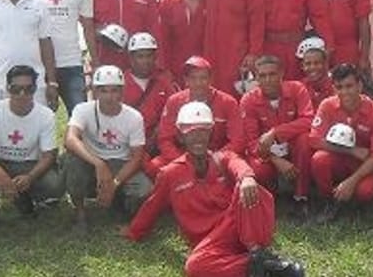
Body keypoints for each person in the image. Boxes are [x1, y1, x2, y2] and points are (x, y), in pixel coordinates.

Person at [125, 102, 306, 277]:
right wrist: (134, 231)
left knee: (254, 190)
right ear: (181, 136)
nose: (198, 138)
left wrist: (247, 178)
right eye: (191, 133)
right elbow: (153, 205)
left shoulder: (222, 158)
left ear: (210, 133)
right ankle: (264, 266)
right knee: (195, 267)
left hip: (236, 229)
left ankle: (257, 252)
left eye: (203, 131)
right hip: (209, 242)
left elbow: (237, 163)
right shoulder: (170, 174)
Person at [0, 65, 64, 235]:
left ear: (35, 89)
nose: (22, 95)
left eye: (28, 89)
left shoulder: (45, 115)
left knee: (54, 184)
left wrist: (30, 177)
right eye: (16, 89)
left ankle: (24, 195)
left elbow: (49, 155)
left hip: (26, 165)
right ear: (7, 88)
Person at [65, 65, 152, 232]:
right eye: (103, 91)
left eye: (114, 90)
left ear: (122, 92)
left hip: (121, 162)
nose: (109, 97)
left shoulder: (133, 117)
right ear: (96, 92)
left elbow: (136, 157)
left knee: (144, 189)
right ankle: (80, 213)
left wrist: (115, 182)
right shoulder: (83, 109)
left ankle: (121, 204)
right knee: (72, 162)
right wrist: (99, 164)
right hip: (91, 161)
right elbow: (69, 139)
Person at [308, 63, 373, 224]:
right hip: (339, 159)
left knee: (365, 191)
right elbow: (313, 139)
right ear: (334, 89)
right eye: (339, 87)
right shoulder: (327, 105)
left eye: (349, 86)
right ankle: (329, 202)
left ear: (360, 86)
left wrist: (351, 181)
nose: (344, 92)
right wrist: (351, 150)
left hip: (363, 164)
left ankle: (359, 207)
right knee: (319, 159)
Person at [26, 0, 97, 113]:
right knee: (39, 118)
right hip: (38, 62)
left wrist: (95, 61)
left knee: (80, 115)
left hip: (71, 62)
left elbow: (88, 27)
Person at [239, 56, 315, 221]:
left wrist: (275, 132)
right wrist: (276, 160)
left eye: (272, 74)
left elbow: (308, 120)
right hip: (268, 153)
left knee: (304, 140)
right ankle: (272, 194)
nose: (268, 80)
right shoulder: (248, 100)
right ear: (256, 77)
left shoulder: (297, 89)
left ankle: (301, 198)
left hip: (293, 146)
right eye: (262, 75)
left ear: (281, 73)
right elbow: (251, 142)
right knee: (258, 169)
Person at [147, 56, 245, 180]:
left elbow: (238, 141)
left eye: (203, 78)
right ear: (186, 80)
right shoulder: (174, 101)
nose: (198, 83)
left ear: (211, 79)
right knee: (153, 167)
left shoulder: (228, 102)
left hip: (217, 155)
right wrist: (182, 160)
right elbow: (164, 139)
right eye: (193, 78)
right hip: (182, 155)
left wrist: (216, 159)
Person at [122, 32, 178, 154]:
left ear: (155, 57)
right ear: (131, 58)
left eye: (149, 56)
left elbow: (175, 110)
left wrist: (159, 133)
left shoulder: (165, 80)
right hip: (129, 146)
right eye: (140, 56)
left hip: (160, 143)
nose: (146, 61)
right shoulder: (120, 84)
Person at [158, 0, 207, 81]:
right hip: (176, 68)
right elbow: (163, 40)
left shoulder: (212, 1)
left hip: (204, 69)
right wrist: (164, 69)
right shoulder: (168, 2)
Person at [296, 37, 333, 109]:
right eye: (308, 64)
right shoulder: (300, 87)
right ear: (302, 66)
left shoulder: (336, 84)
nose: (312, 67)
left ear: (325, 63)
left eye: (317, 63)